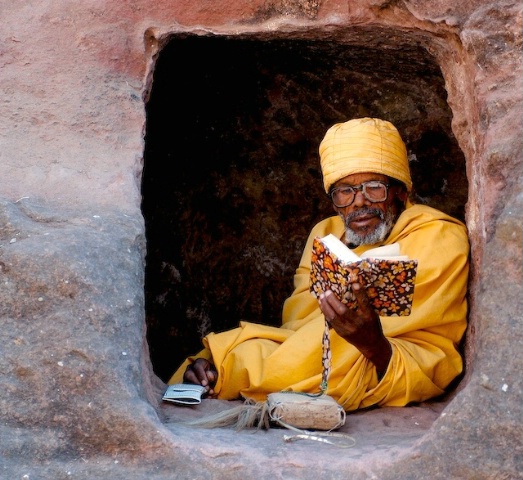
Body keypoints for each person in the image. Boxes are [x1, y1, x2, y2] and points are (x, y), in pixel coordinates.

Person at [168, 117, 469, 411]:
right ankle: (212, 374)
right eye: (344, 192)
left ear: (401, 192)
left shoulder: (439, 235)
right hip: (314, 350)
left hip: (384, 361)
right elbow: (297, 327)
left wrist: (370, 341)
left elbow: (433, 347)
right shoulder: (325, 233)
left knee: (255, 365)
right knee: (237, 350)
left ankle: (232, 377)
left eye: (373, 188)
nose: (359, 202)